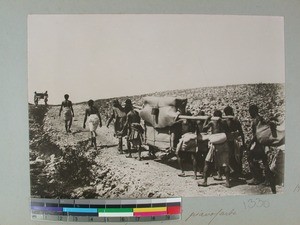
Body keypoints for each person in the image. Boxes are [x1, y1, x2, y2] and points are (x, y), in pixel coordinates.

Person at [247, 104, 276, 193]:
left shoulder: (256, 120)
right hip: (263, 143)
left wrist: (251, 143)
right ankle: (267, 179)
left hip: (258, 143)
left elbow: (256, 134)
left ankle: (256, 178)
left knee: (250, 158)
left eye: (250, 112)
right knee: (264, 161)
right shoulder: (261, 118)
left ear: (253, 111)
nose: (249, 114)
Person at [198, 110, 231, 188]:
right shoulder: (224, 122)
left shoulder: (212, 122)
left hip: (215, 144)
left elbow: (203, 129)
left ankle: (205, 181)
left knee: (207, 162)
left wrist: (207, 119)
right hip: (224, 143)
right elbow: (228, 131)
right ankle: (228, 182)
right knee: (225, 164)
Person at [223, 106, 245, 179]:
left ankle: (236, 172)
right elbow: (241, 132)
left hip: (229, 141)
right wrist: (243, 142)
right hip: (234, 140)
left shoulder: (225, 121)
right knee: (237, 157)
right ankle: (238, 172)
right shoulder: (235, 120)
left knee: (230, 157)